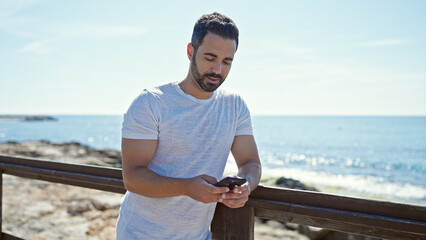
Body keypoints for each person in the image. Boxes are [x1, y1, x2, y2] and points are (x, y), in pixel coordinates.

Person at [116, 12, 262, 240]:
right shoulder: (151, 103)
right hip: (140, 234)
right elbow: (132, 177)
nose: (218, 70)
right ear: (190, 51)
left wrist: (246, 186)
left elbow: (250, 163)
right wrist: (186, 187)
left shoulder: (235, 106)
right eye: (210, 57)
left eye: (226, 61)